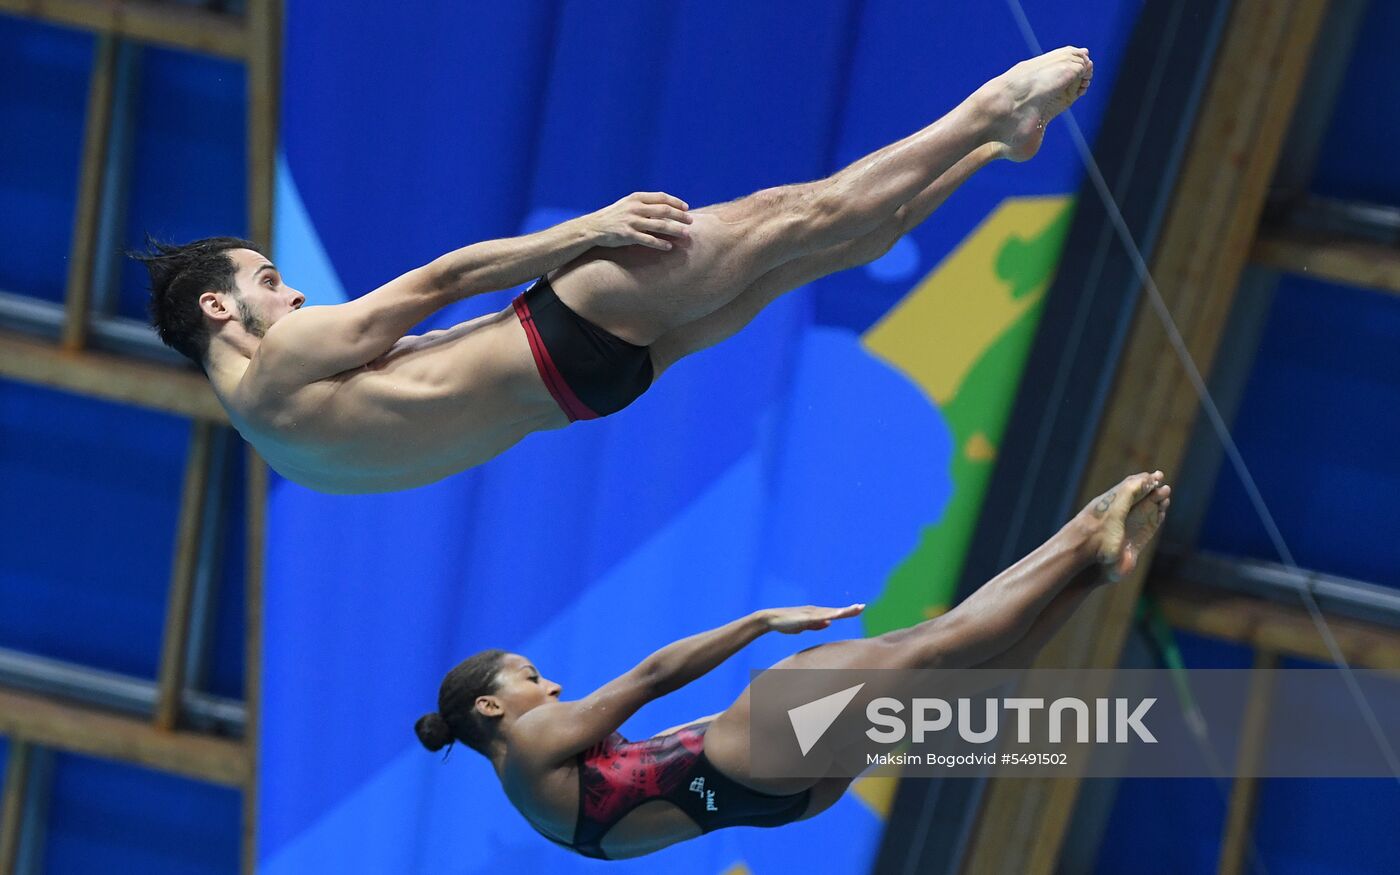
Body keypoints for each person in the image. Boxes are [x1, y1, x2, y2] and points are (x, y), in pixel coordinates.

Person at [138, 49, 1092, 492]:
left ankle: (984, 159)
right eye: (267, 278)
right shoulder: (285, 357)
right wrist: (582, 234)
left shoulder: (287, 454)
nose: (291, 292)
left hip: (591, 393)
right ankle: (992, 110)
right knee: (806, 215)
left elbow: (449, 420)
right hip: (563, 327)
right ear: (219, 304)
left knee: (824, 252)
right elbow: (432, 285)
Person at [413, 471, 1167, 859]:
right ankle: (1080, 536)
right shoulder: (531, 745)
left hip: (781, 799)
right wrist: (758, 622)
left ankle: (1090, 573)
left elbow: (643, 787)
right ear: (490, 706)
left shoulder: (539, 809)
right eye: (530, 676)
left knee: (955, 674)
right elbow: (649, 679)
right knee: (927, 649)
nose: (551, 685)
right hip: (742, 759)